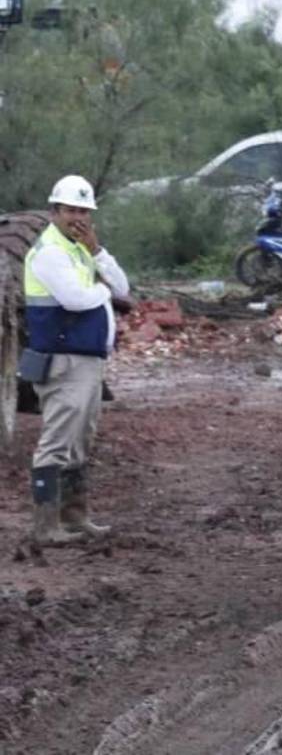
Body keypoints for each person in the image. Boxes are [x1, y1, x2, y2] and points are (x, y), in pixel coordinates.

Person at [24, 175, 130, 545]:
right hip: (63, 361)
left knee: (81, 440)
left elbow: (123, 286)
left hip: (86, 361)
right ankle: (46, 525)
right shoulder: (50, 251)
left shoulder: (79, 248)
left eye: (84, 211)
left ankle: (73, 516)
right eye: (70, 210)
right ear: (53, 212)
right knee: (57, 440)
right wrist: (101, 291)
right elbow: (77, 299)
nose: (78, 217)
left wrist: (98, 251)